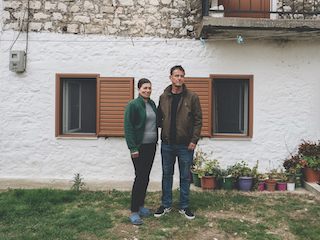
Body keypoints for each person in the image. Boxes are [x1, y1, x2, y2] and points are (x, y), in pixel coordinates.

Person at [154, 65, 202, 219]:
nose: (179, 78)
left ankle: (184, 206)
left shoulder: (192, 97)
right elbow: (158, 119)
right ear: (171, 78)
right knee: (166, 175)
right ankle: (166, 204)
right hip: (167, 144)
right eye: (176, 76)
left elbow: (198, 120)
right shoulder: (164, 97)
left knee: (184, 177)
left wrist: (194, 140)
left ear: (184, 78)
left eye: (181, 76)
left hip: (185, 145)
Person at [124, 78, 158, 225]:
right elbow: (128, 127)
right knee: (140, 177)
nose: (147, 90)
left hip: (151, 146)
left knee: (146, 177)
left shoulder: (151, 104)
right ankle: (133, 211)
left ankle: (140, 205)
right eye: (144, 88)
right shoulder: (133, 105)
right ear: (138, 89)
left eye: (149, 88)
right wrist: (133, 147)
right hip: (139, 147)